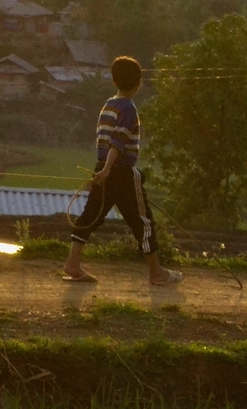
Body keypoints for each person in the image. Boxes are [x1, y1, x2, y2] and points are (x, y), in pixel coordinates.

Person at [63, 55, 182, 285]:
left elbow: (105, 140)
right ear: (139, 84)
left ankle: (73, 263)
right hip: (121, 171)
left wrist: (103, 169)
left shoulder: (108, 105)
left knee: (90, 216)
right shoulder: (129, 108)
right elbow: (117, 141)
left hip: (103, 169)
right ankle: (156, 273)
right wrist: (109, 169)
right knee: (143, 221)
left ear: (114, 81)